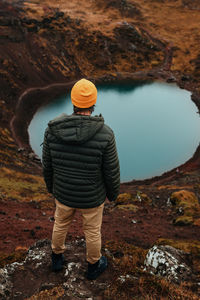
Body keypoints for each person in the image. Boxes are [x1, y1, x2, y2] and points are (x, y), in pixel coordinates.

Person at [42, 78, 120, 280]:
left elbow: (47, 165)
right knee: (93, 231)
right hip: (91, 197)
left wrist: (52, 188)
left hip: (63, 192)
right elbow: (111, 170)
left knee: (60, 224)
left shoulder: (52, 129)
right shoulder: (105, 134)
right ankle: (94, 266)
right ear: (93, 103)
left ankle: (57, 259)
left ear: (73, 102)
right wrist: (112, 194)